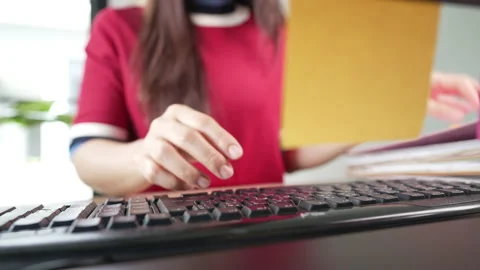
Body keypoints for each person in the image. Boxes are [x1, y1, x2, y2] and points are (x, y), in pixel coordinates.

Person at [70, 0, 480, 196]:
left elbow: (282, 150)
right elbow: (88, 155)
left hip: (272, 228)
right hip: (162, 241)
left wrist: (388, 98)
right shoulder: (118, 27)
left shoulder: (281, 30)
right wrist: (144, 155)